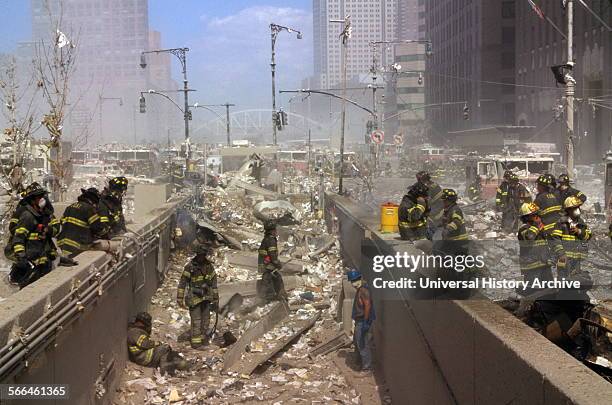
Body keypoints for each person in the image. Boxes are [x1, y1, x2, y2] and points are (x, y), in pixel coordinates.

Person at [6, 183, 59, 288]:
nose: (42, 199)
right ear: (32, 200)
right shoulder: (28, 216)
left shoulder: (44, 214)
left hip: (42, 261)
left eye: (42, 196)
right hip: (31, 262)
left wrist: (47, 230)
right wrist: (21, 256)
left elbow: (55, 228)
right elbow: (18, 238)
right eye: (39, 197)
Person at [176, 244, 219, 349]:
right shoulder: (190, 266)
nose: (202, 257)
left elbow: (214, 283)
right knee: (196, 321)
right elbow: (182, 283)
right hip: (194, 298)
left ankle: (203, 340)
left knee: (206, 320)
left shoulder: (209, 266)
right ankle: (196, 343)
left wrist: (216, 298)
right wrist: (180, 298)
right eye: (200, 255)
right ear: (197, 254)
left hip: (206, 297)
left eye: (204, 255)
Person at [57, 187, 108, 258]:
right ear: (93, 200)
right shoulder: (89, 209)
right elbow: (98, 228)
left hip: (63, 246)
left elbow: (62, 222)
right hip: (77, 248)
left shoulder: (70, 207)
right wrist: (106, 233)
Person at [347, 270, 375, 373]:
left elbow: (368, 306)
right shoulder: (360, 289)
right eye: (352, 281)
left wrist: (365, 322)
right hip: (359, 321)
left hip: (362, 321)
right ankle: (360, 363)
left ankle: (367, 368)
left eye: (355, 280)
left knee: (362, 344)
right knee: (357, 342)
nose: (353, 283)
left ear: (359, 279)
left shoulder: (363, 291)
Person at [557, 196, 592, 277]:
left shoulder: (581, 222)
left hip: (576, 259)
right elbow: (555, 240)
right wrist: (561, 254)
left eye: (578, 207)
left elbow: (588, 236)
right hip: (564, 258)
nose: (578, 210)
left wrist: (579, 231)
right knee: (564, 281)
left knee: (575, 280)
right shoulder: (562, 223)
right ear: (568, 210)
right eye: (575, 208)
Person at [257, 220, 287, 302]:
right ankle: (272, 300)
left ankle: (279, 298)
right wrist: (278, 264)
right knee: (271, 284)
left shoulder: (265, 239)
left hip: (265, 267)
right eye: (275, 230)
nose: (276, 231)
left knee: (276, 280)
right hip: (268, 268)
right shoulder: (271, 240)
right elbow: (272, 255)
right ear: (272, 231)